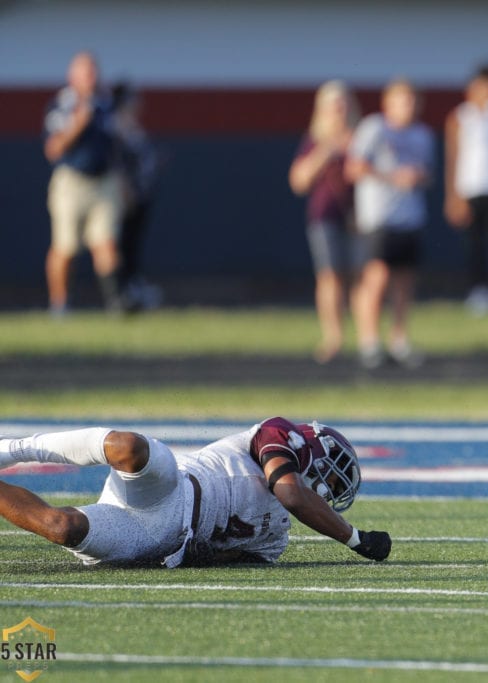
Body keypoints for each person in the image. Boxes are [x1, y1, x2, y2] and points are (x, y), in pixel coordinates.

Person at [0, 417, 391, 567]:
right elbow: (291, 493)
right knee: (130, 449)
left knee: (62, 527)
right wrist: (356, 539)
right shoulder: (276, 433)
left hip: (155, 540)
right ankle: (13, 448)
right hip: (171, 490)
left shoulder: (276, 539)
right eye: (331, 479)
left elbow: (231, 558)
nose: (325, 489)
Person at [346, 79, 434, 369]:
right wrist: (393, 176)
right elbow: (354, 168)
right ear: (388, 103)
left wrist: (416, 177)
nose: (409, 107)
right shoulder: (374, 128)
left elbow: (427, 175)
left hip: (410, 217)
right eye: (402, 101)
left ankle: (399, 340)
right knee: (377, 278)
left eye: (413, 101)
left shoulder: (423, 135)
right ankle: (369, 341)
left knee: (404, 282)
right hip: (379, 215)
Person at [43, 51, 125, 315]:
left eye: (94, 71)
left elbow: (114, 146)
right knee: (65, 248)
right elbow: (53, 148)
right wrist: (78, 123)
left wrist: (122, 179)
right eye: (85, 72)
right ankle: (60, 304)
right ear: (72, 76)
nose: (91, 77)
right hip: (72, 183)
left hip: (104, 182)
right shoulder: (63, 105)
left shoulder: (106, 105)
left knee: (107, 243)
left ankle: (116, 304)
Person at [289, 80, 361, 364]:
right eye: (333, 106)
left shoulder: (361, 138)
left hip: (358, 217)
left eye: (343, 105)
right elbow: (298, 181)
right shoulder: (314, 140)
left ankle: (365, 338)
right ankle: (333, 337)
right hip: (325, 216)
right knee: (329, 276)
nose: (339, 111)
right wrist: (325, 152)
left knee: (360, 278)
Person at [445, 65, 488, 316]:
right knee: (475, 242)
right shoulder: (460, 117)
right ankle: (478, 289)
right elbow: (453, 157)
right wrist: (453, 195)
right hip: (470, 186)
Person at [111, 80, 162, 312]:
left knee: (135, 243)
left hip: (142, 194)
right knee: (122, 244)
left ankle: (134, 285)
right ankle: (122, 292)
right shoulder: (115, 126)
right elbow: (116, 161)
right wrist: (125, 188)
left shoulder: (133, 126)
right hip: (126, 196)